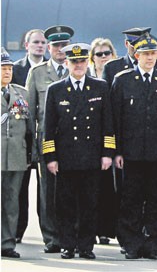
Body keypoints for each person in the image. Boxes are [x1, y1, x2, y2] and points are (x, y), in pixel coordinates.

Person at [42, 43, 115, 259]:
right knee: (65, 205)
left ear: (88, 62)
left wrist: (107, 153)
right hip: (65, 158)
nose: (79, 65)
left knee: (89, 204)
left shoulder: (100, 87)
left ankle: (85, 246)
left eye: (82, 61)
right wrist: (51, 157)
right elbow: (49, 128)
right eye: (74, 62)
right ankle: (67, 245)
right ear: (67, 63)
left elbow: (107, 124)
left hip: (92, 158)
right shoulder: (55, 90)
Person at [111, 34, 157, 260]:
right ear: (136, 55)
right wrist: (116, 151)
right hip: (130, 152)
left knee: (156, 201)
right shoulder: (123, 80)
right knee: (130, 199)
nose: (149, 58)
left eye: (153, 54)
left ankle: (153, 246)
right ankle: (131, 244)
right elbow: (115, 119)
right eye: (145, 54)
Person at [26, 24, 74, 253]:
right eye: (56, 45)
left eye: (64, 45)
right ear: (49, 47)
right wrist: (32, 146)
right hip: (48, 141)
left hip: (74, 142)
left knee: (72, 191)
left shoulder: (79, 69)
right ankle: (52, 238)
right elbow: (30, 113)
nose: (61, 49)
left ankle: (70, 236)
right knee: (48, 192)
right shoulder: (37, 73)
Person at [11, 29, 45, 244]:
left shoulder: (50, 69)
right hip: (21, 137)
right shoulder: (14, 70)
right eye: (36, 42)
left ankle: (49, 233)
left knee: (45, 190)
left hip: (43, 138)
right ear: (26, 45)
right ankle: (16, 230)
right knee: (18, 188)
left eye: (43, 42)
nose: (40, 46)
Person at [87, 38, 119, 246]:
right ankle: (91, 229)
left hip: (109, 138)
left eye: (107, 53)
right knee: (90, 187)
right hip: (88, 140)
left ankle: (106, 230)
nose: (103, 57)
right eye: (99, 54)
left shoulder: (117, 78)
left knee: (109, 188)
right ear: (92, 58)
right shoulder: (85, 76)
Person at [1, 49, 33, 259]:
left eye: (10, 68)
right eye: (3, 68)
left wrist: (31, 154)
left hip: (15, 156)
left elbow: (30, 127)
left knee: (12, 201)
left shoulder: (22, 93)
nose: (7, 72)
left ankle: (7, 242)